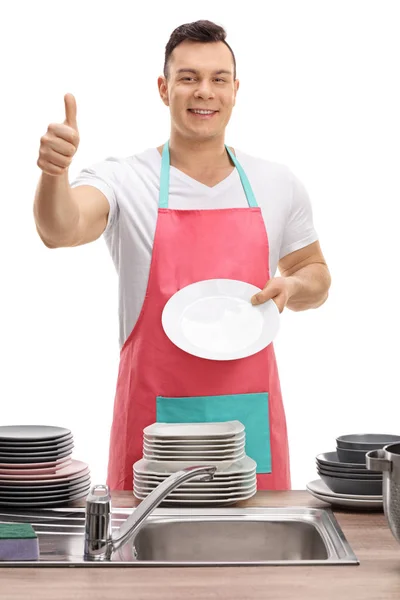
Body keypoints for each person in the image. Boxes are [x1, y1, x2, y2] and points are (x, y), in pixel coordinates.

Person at [33, 19, 331, 491]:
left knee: (258, 560)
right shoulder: (125, 179)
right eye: (188, 78)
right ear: (163, 88)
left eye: (218, 79)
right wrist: (54, 173)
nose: (203, 92)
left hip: (248, 428)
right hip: (155, 430)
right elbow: (59, 229)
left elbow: (315, 275)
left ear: (236, 90)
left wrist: (293, 286)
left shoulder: (277, 182)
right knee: (147, 560)